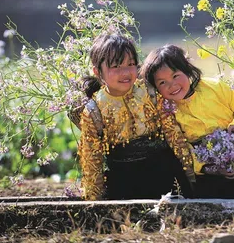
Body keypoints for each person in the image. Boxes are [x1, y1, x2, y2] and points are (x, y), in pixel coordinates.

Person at [141, 44, 234, 199]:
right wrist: (209, 168)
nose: (172, 85)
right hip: (207, 164)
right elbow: (182, 149)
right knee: (216, 201)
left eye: (175, 76)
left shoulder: (213, 86)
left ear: (186, 69)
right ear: (156, 88)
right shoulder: (167, 113)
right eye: (162, 83)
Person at [77, 33, 194, 200]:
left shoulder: (150, 92)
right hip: (124, 179)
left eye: (131, 64)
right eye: (116, 66)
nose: (125, 72)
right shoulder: (94, 110)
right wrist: (94, 202)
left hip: (163, 172)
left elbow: (174, 135)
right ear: (98, 72)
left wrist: (190, 177)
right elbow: (92, 161)